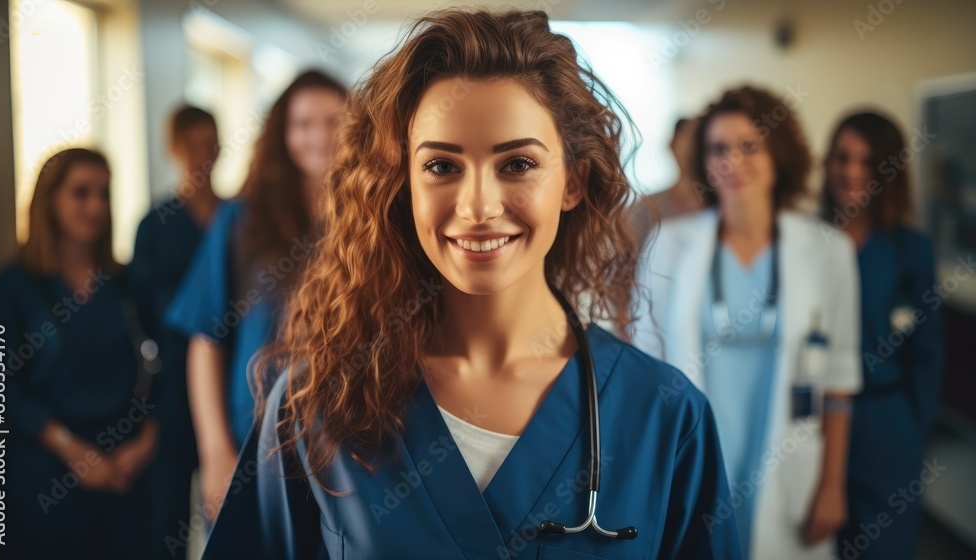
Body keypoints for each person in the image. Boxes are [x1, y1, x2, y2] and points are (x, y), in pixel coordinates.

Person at [202, 9, 741, 559]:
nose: (479, 207)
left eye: (517, 164)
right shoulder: (316, 403)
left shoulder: (665, 416)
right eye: (441, 166)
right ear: (402, 185)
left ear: (573, 181)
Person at [635, 86, 862, 559]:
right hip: (696, 454)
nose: (733, 161)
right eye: (719, 149)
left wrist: (832, 485)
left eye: (749, 146)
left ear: (778, 152)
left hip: (788, 459)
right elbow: (645, 368)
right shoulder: (669, 244)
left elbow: (839, 380)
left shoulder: (827, 250)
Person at [165, 70, 347, 521]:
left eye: (334, 121)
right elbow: (205, 339)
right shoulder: (240, 221)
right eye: (303, 123)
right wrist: (214, 452)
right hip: (251, 443)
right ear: (282, 132)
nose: (320, 136)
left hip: (348, 446)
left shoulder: (370, 221)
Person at [0, 148, 157, 559]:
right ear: (49, 200)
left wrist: (146, 443)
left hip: (125, 471)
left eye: (104, 194)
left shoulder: (127, 283)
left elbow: (161, 368)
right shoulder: (13, 288)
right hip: (47, 474)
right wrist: (72, 451)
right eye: (81, 193)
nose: (95, 206)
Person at [821, 111, 944, 560]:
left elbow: (928, 352)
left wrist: (913, 429)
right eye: (842, 157)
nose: (851, 171)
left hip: (887, 424)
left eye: (868, 161)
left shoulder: (909, 249)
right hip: (813, 422)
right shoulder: (807, 242)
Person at [128, 104, 221, 558]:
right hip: (171, 392)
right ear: (174, 149)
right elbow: (141, 314)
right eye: (193, 145)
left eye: (211, 143)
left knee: (230, 506)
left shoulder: (237, 219)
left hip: (232, 386)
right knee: (168, 513)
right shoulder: (155, 225)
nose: (203, 155)